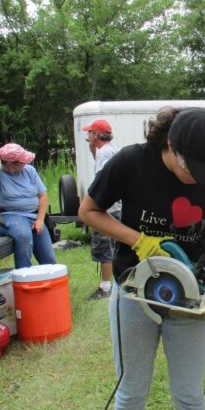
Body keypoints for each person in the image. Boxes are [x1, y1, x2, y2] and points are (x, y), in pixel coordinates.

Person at [78, 107, 205, 410]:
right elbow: (89, 211)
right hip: (134, 289)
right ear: (170, 146)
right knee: (132, 388)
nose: (199, 180)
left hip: (189, 295)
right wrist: (140, 241)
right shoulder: (132, 161)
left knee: (190, 394)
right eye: (190, 170)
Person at [0, 143, 57, 270]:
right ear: (10, 164)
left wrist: (40, 220)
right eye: (22, 162)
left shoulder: (29, 171)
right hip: (8, 216)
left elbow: (43, 197)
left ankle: (50, 284)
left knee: (49, 259)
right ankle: (23, 274)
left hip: (33, 216)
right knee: (24, 235)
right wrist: (0, 157)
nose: (25, 164)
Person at [82, 118, 121, 299]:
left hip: (107, 208)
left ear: (97, 134)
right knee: (116, 246)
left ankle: (105, 288)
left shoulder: (105, 153)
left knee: (105, 248)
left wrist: (98, 208)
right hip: (117, 207)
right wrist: (92, 150)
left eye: (89, 132)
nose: (87, 135)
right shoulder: (109, 150)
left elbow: (103, 182)